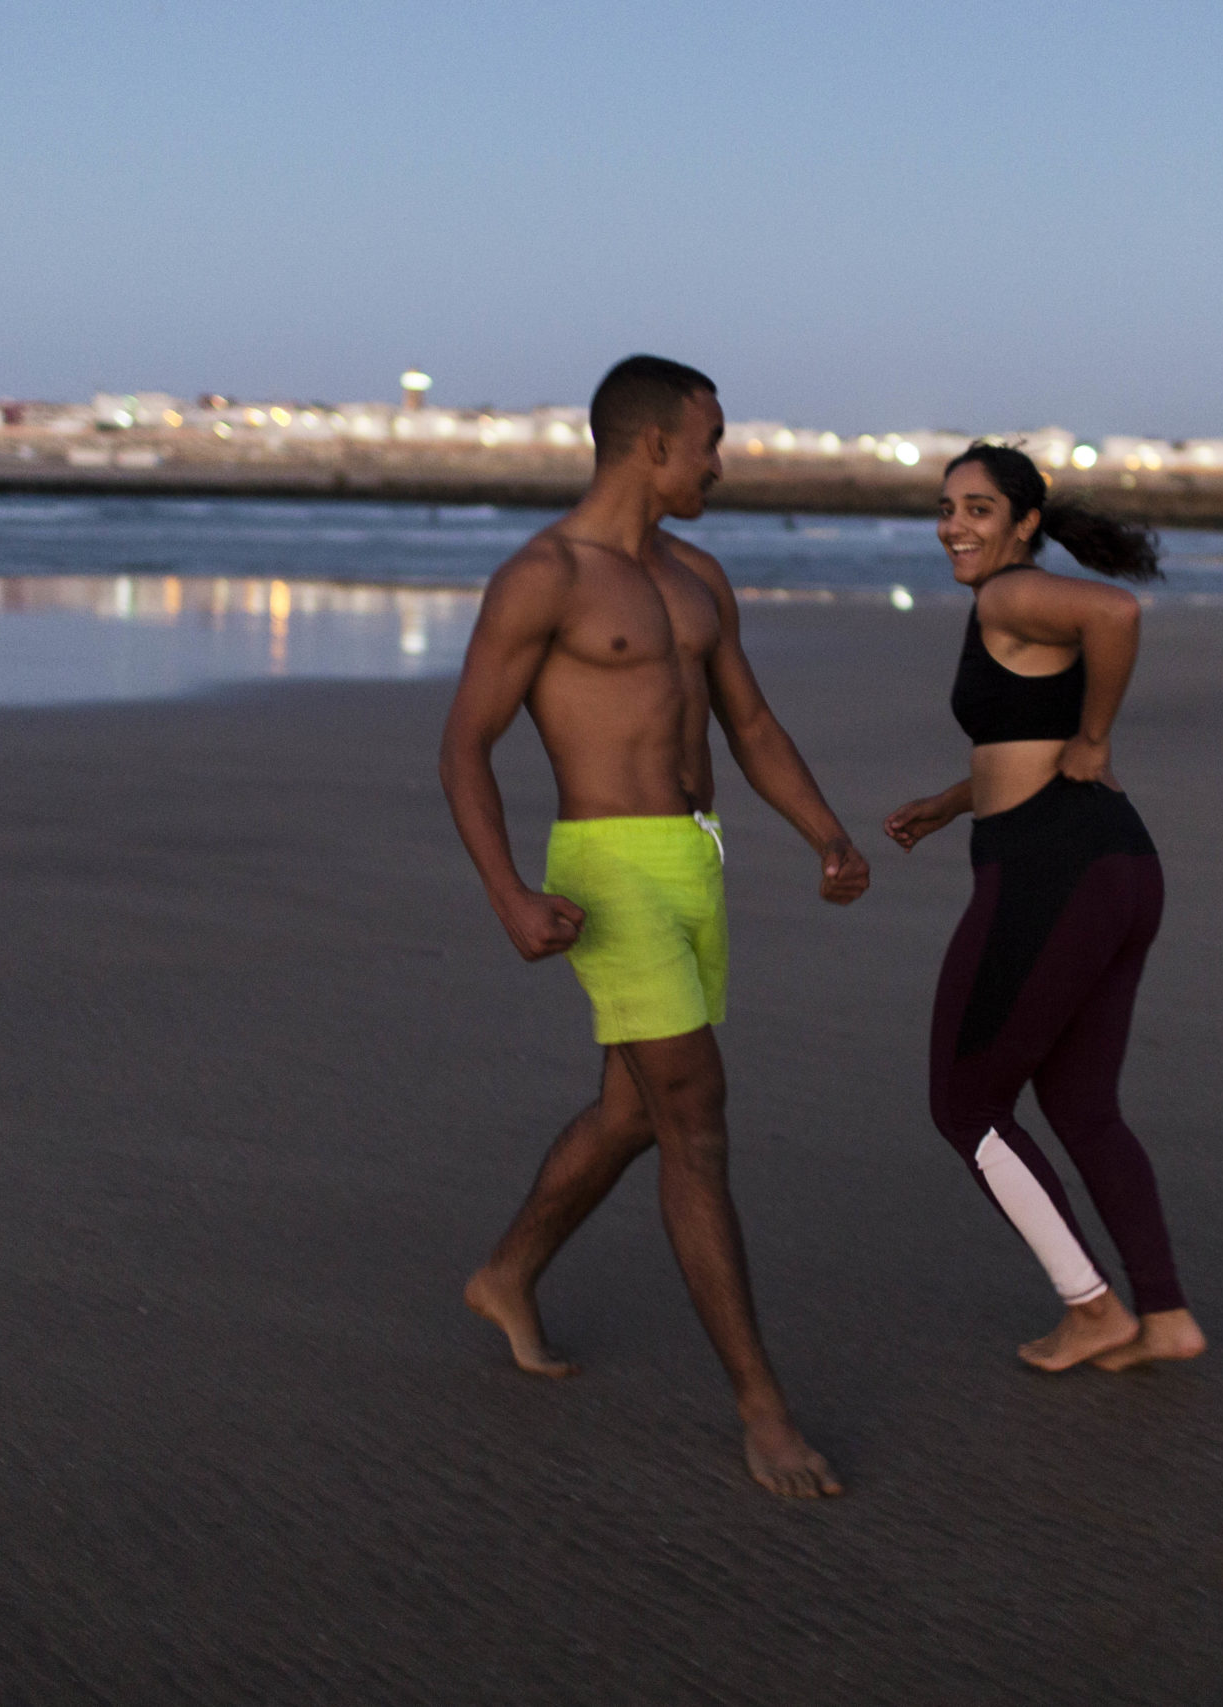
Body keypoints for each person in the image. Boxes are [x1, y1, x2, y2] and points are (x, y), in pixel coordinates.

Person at [439, 355, 870, 1498]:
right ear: (650, 446)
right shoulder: (543, 577)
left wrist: (825, 832)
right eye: (710, 441)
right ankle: (763, 1411)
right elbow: (463, 746)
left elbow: (753, 722)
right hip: (607, 868)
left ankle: (509, 1271)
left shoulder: (697, 579)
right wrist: (507, 895)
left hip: (693, 861)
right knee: (695, 1119)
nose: (721, 464)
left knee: (634, 1107)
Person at [882, 443, 1207, 1375]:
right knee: (1079, 1102)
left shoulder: (1010, 595)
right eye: (947, 508)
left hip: (1053, 869)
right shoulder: (1009, 604)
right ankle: (1167, 1314)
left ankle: (1094, 1308)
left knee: (966, 1100)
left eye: (978, 509)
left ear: (1024, 522)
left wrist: (1098, 737)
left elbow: (1118, 609)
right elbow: (1025, 735)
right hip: (1114, 863)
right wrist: (949, 805)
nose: (954, 525)